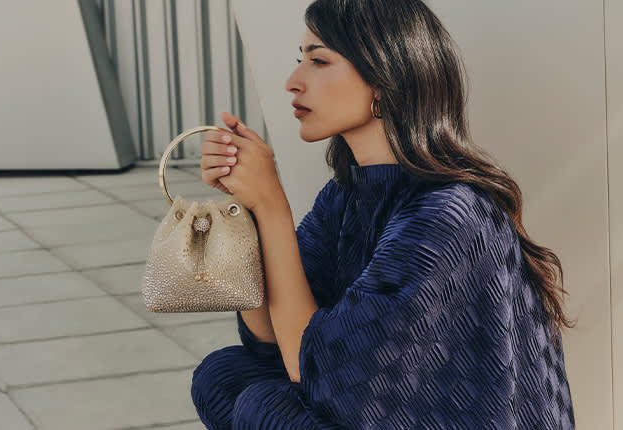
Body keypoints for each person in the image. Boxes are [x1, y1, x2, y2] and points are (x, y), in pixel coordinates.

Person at [191, 0, 576, 428]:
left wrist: (272, 207)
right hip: (377, 403)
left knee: (263, 409)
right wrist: (247, 213)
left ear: (382, 79)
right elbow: (271, 341)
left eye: (319, 61)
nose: (293, 82)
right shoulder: (346, 196)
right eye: (300, 60)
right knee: (222, 379)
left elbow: (323, 373)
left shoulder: (449, 214)